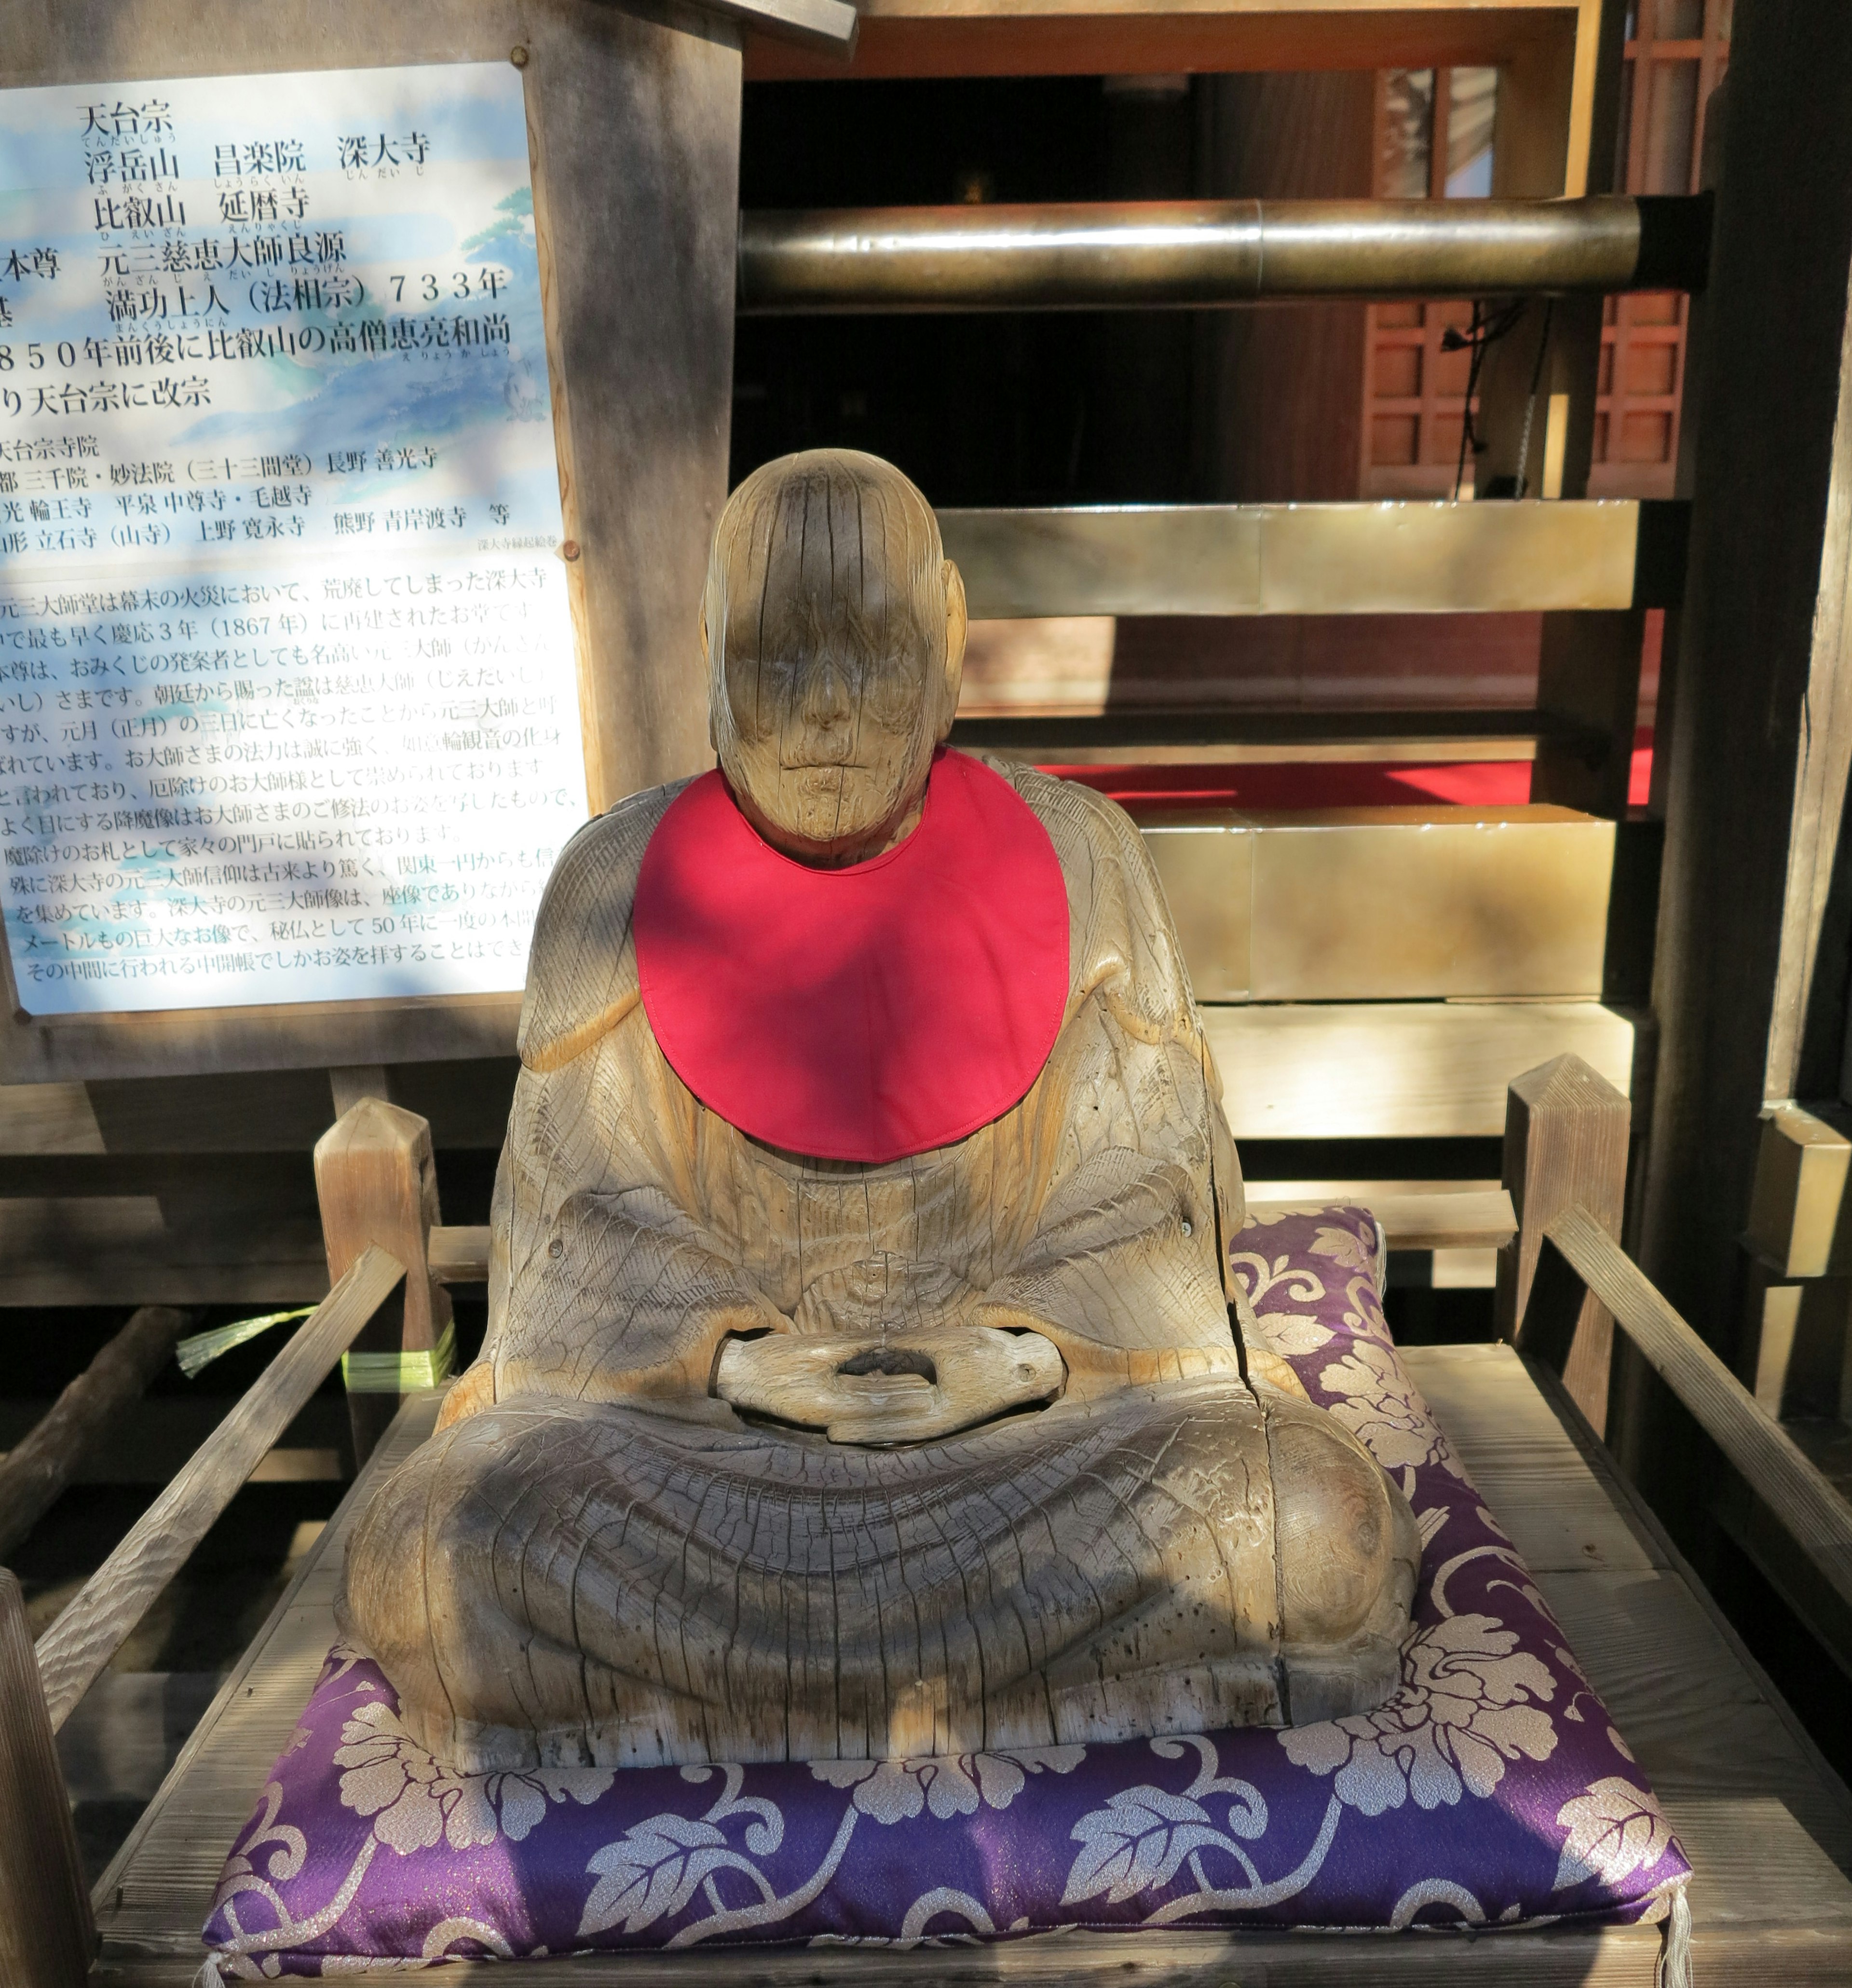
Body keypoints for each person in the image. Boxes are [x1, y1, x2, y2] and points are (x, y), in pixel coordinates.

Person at [338, 448, 1418, 1773]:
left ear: (954, 636)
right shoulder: (612, 888)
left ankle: (744, 1705)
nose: (830, 712)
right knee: (435, 1555)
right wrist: (735, 1366)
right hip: (712, 1465)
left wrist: (1022, 1360)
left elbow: (1145, 1206)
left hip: (1031, 1441)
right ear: (709, 655)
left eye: (874, 650)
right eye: (779, 659)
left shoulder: (1086, 858)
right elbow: (578, 1237)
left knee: (1316, 1528)